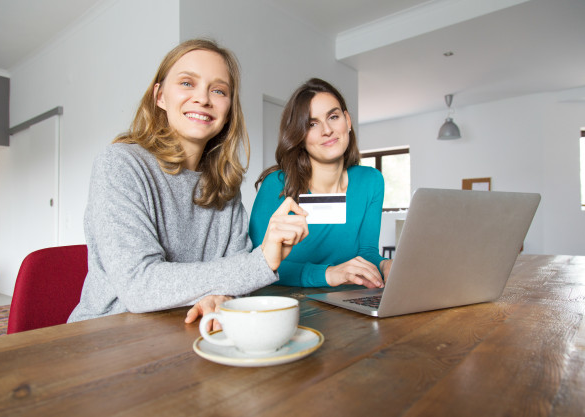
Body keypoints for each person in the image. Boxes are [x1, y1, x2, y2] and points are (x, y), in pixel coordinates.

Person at [68, 39, 308, 326]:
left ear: (229, 108)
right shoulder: (120, 164)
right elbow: (140, 285)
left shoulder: (224, 188)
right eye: (186, 83)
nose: (203, 98)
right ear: (159, 96)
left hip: (190, 331)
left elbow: (238, 280)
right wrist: (262, 261)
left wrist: (223, 299)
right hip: (109, 337)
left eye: (218, 90)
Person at [249, 78, 391, 288]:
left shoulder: (370, 181)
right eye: (312, 124)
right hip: (290, 306)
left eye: (333, 117)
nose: (327, 130)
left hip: (349, 302)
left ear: (347, 121)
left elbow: (367, 253)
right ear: (299, 135)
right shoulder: (276, 185)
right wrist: (329, 274)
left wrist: (385, 265)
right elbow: (258, 265)